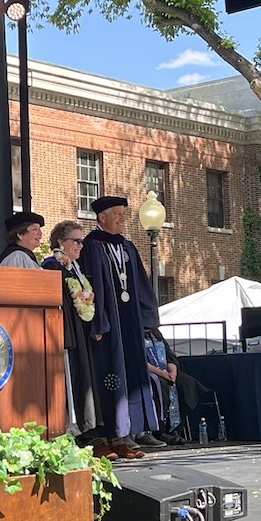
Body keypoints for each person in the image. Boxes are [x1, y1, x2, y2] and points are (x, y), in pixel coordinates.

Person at [79, 196, 159, 459]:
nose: (123, 219)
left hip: (129, 324)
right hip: (107, 327)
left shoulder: (127, 247)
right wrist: (98, 321)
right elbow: (93, 289)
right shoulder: (91, 246)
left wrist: (146, 320)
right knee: (107, 378)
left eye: (124, 214)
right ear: (102, 217)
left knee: (131, 376)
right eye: (118, 214)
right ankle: (103, 436)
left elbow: (141, 284)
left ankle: (124, 435)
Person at [41, 220, 100, 439]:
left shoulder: (74, 269)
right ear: (60, 242)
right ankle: (67, 427)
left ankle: (80, 427)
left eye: (81, 242)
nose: (80, 246)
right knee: (67, 378)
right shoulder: (52, 266)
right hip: (63, 332)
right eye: (76, 241)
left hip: (78, 331)